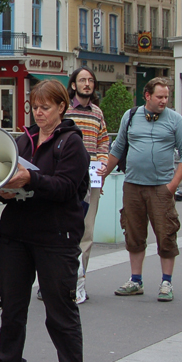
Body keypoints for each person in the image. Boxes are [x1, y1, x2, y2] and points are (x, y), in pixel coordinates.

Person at [0, 80, 91, 362]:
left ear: (62, 107)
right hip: (17, 234)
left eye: (45, 107)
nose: (39, 113)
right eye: (35, 107)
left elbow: (65, 187)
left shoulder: (72, 144)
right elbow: (1, 179)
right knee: (12, 305)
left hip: (56, 236)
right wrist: (2, 189)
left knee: (60, 308)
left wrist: (30, 178)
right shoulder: (23, 141)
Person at [102, 77, 182, 302]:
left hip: (161, 187)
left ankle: (166, 282)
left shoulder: (175, 120)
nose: (164, 101)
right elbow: (118, 147)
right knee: (133, 233)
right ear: (147, 96)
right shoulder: (130, 116)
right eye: (159, 97)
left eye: (166, 97)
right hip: (133, 185)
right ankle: (136, 280)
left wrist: (172, 186)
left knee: (166, 234)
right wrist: (103, 175)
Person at [66, 67, 109, 304]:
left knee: (86, 232)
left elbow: (103, 142)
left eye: (90, 80)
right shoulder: (64, 110)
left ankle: (79, 283)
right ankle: (57, 281)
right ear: (73, 85)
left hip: (90, 181)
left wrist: (103, 164)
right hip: (67, 179)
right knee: (61, 231)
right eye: (82, 80)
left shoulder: (97, 113)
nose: (87, 84)